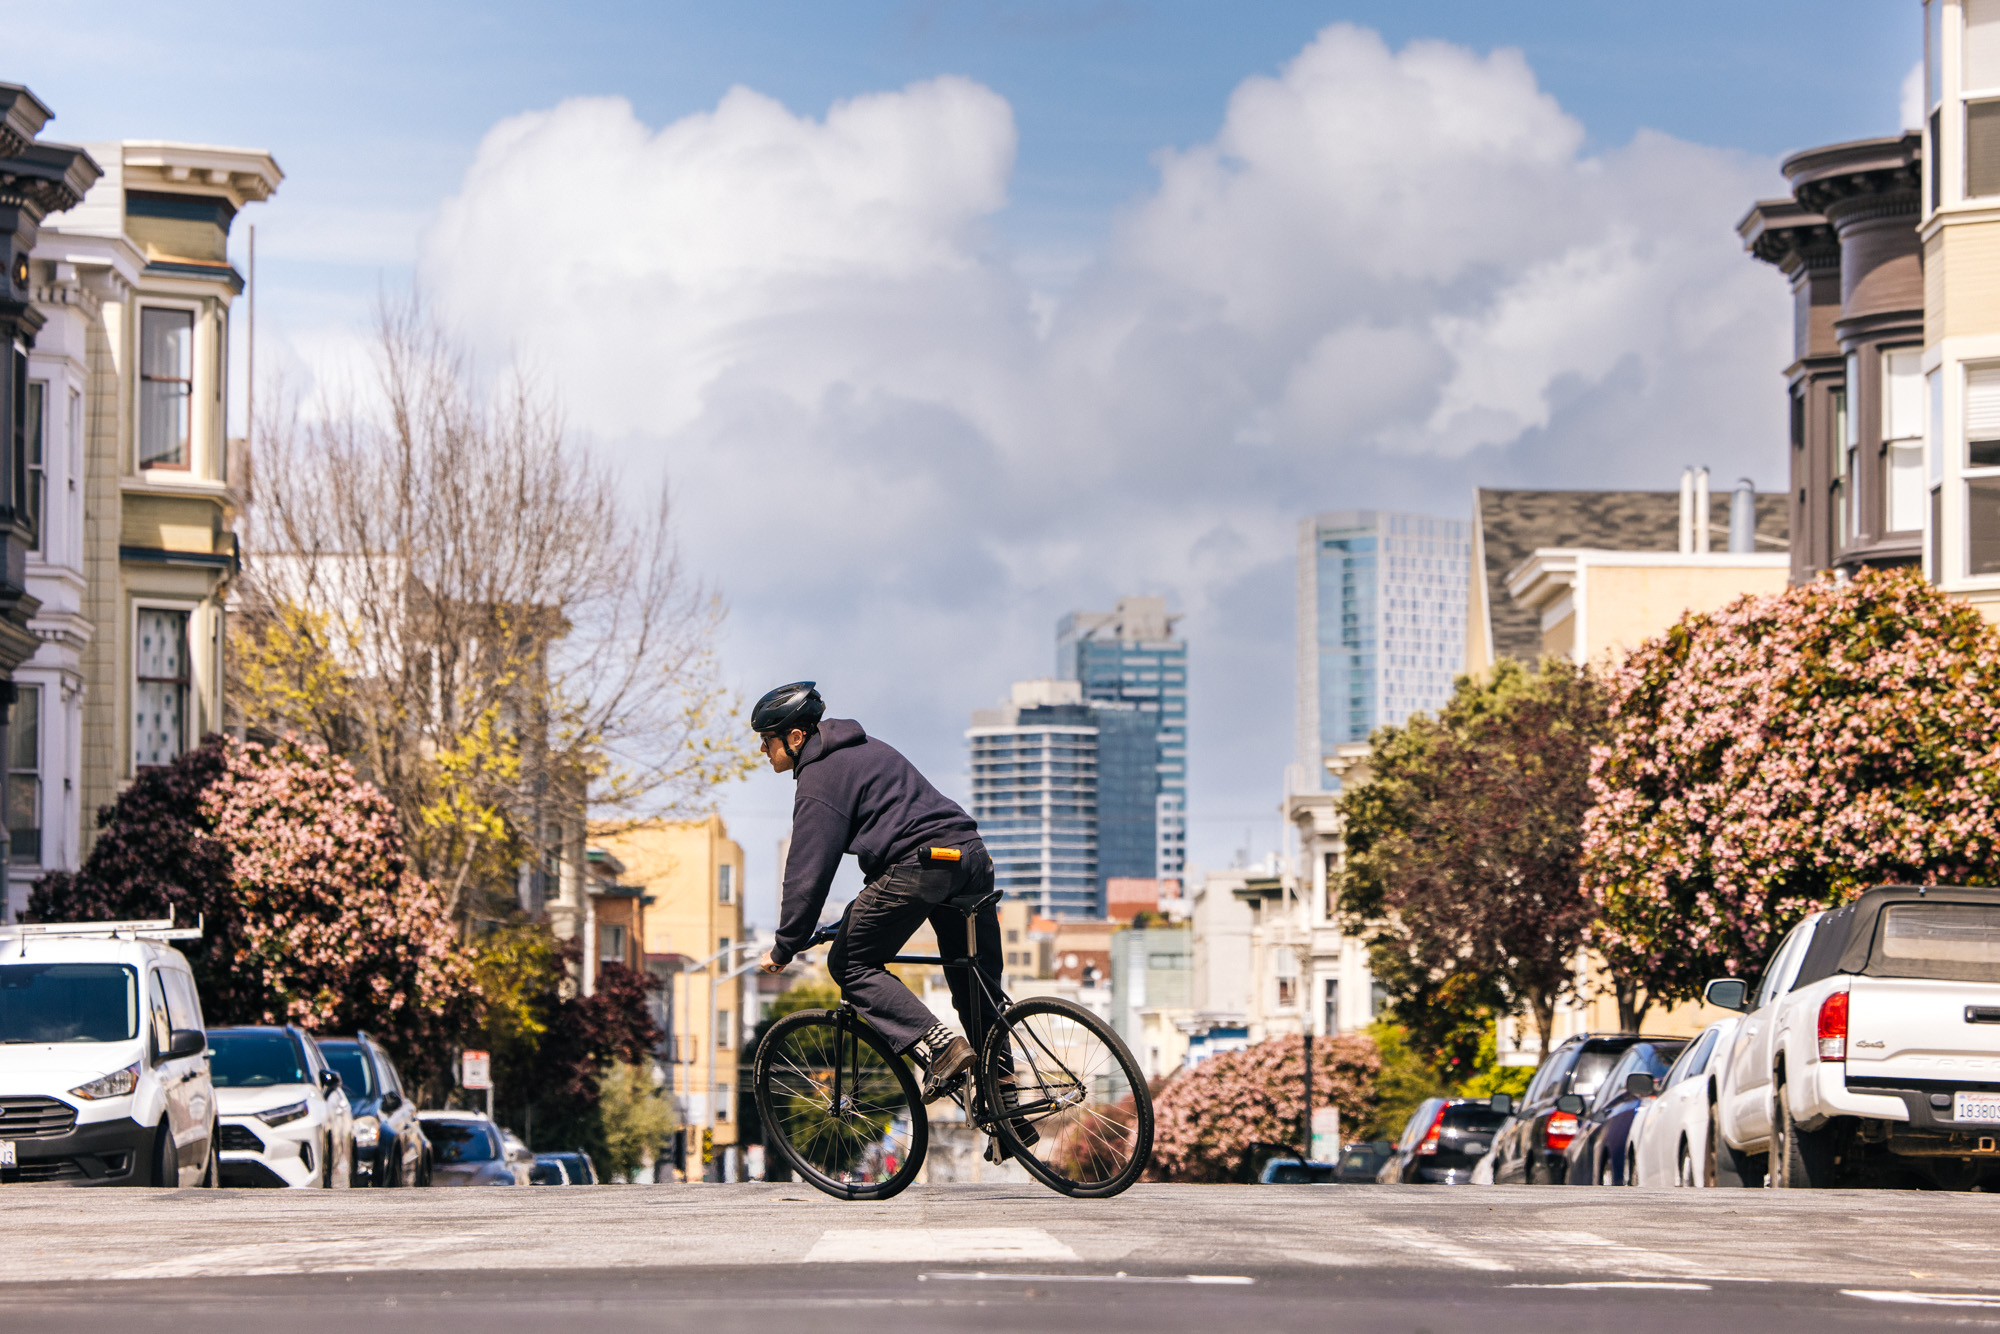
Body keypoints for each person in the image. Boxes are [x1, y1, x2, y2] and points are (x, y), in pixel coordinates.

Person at [754, 681, 1005, 1109]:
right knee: (975, 985)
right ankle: (1006, 1100)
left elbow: (807, 873)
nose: (762, 750)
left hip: (921, 864)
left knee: (850, 962)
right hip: (970, 857)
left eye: (767, 740)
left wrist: (785, 945)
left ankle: (940, 1045)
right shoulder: (867, 747)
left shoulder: (819, 776)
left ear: (795, 738)